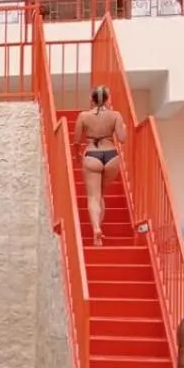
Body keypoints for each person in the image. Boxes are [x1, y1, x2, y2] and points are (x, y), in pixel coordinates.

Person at [73, 85, 126, 247]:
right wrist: (126, 128)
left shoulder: (83, 116)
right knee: (100, 194)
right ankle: (99, 231)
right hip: (111, 156)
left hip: (92, 155)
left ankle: (96, 229)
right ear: (108, 99)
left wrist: (77, 156)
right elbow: (122, 138)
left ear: (92, 99)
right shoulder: (115, 115)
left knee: (93, 197)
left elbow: (76, 141)